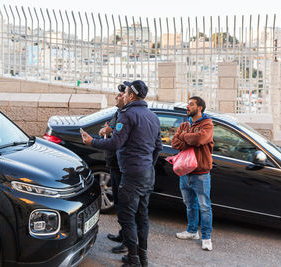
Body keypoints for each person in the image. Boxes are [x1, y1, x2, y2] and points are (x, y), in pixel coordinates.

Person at [81, 80, 163, 267]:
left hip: (132, 174)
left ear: (131, 96)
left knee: (127, 216)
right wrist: (148, 163)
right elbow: (158, 147)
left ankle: (133, 260)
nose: (123, 95)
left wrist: (91, 142)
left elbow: (115, 143)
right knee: (142, 216)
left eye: (125, 92)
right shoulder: (153, 116)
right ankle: (143, 258)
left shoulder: (127, 115)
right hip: (147, 173)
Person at [171, 96, 214, 251]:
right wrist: (187, 138)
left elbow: (200, 139)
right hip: (184, 171)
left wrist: (183, 136)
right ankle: (192, 231)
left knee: (204, 206)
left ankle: (207, 237)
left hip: (201, 173)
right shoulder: (184, 124)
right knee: (190, 204)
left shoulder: (207, 124)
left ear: (199, 107)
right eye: (187, 104)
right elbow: (174, 143)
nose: (187, 107)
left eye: (191, 104)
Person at [98, 89, 128, 254]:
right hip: (114, 164)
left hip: (122, 166)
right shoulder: (119, 113)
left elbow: (118, 139)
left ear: (128, 96)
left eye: (119, 94)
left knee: (126, 206)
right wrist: (106, 130)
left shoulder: (127, 116)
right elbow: (110, 128)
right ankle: (123, 235)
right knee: (118, 202)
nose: (116, 97)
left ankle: (127, 242)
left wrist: (108, 133)